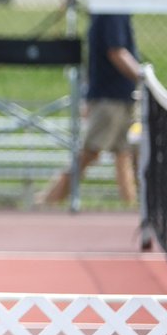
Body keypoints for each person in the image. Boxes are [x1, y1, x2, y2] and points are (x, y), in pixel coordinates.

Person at [37, 13, 143, 206]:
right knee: (90, 153)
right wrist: (143, 77)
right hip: (109, 99)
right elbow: (116, 51)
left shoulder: (116, 12)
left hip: (122, 96)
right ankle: (47, 200)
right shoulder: (112, 14)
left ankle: (130, 204)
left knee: (123, 152)